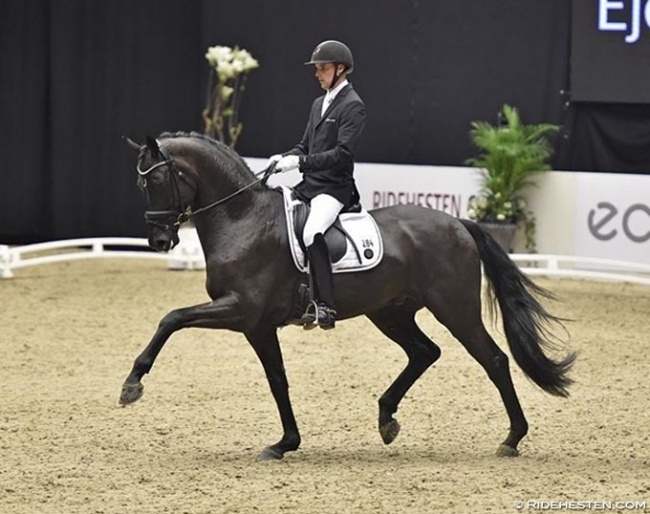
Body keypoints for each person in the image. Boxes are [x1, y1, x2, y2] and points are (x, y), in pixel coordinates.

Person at [269, 40, 366, 330]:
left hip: (334, 189)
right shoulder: (318, 104)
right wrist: (285, 158)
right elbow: (304, 146)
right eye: (317, 68)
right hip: (309, 184)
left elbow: (341, 155)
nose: (317, 74)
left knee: (312, 232)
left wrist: (300, 163)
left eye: (322, 68)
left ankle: (325, 305)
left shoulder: (353, 106)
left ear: (340, 69)